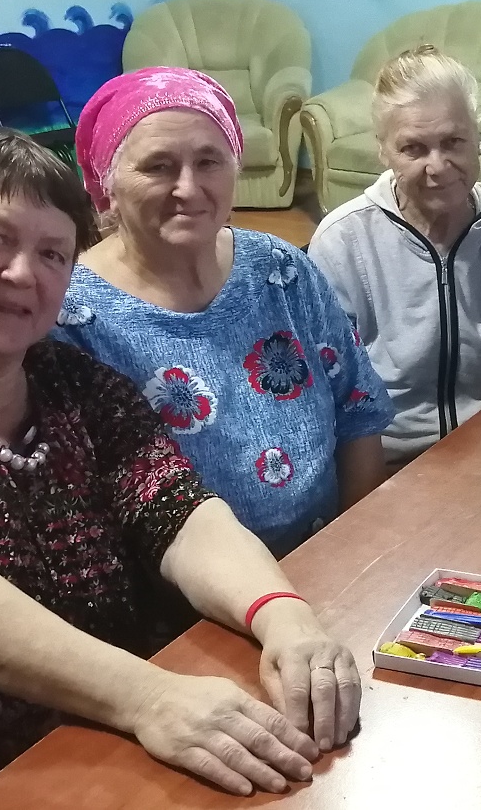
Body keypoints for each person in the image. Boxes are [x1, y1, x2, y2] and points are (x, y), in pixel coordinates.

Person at [0, 129, 361, 809]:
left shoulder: (73, 380)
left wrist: (285, 618)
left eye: (52, 254)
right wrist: (149, 697)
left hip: (81, 742)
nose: (24, 274)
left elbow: (180, 513)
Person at [55, 68, 392, 557]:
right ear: (107, 183)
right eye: (158, 166)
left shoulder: (281, 269)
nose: (188, 188)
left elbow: (358, 410)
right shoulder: (72, 320)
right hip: (184, 595)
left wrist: (356, 551)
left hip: (329, 555)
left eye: (209, 161)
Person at [308, 45, 481, 465]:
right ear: (383, 151)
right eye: (413, 148)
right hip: (380, 460)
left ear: (478, 139)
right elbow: (334, 393)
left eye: (453, 142)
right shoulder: (340, 244)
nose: (438, 166)